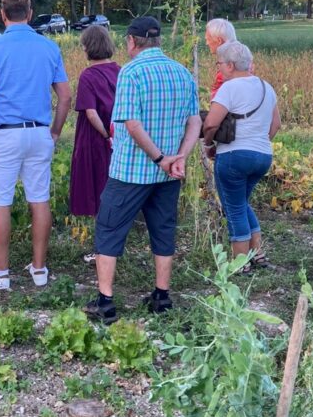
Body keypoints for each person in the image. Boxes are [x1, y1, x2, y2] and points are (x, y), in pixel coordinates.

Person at [86, 17, 201, 324]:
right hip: (168, 174)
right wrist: (180, 157)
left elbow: (131, 124)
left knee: (109, 229)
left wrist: (159, 157)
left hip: (131, 172)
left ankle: (105, 301)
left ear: (133, 42)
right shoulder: (182, 73)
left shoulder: (131, 73)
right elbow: (195, 121)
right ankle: (162, 297)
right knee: (163, 230)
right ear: (159, 41)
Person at [0, 0, 71, 291]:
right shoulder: (49, 47)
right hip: (39, 131)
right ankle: (39, 269)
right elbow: (66, 96)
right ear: (30, 13)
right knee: (39, 199)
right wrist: (54, 131)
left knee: (0, 201)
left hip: (5, 133)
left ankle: (2, 273)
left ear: (1, 14)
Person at [202, 41, 280, 271]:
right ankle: (258, 254)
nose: (219, 69)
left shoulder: (229, 88)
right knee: (242, 203)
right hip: (263, 155)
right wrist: (257, 143)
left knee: (233, 208)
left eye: (219, 64)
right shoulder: (267, 87)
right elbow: (276, 124)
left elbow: (211, 124)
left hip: (234, 156)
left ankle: (240, 262)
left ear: (230, 65)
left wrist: (208, 144)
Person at [69, 24, 120, 218]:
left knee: (96, 179)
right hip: (120, 133)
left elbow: (91, 113)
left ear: (88, 47)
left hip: (96, 136)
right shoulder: (120, 71)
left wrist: (106, 134)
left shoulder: (88, 75)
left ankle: (99, 218)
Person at [205, 18, 237, 98]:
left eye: (208, 39)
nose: (206, 43)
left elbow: (219, 98)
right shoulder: (242, 57)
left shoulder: (227, 66)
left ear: (219, 41)